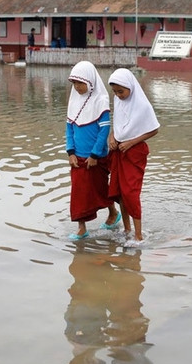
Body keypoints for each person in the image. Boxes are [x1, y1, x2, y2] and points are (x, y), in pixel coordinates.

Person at [66, 61, 120, 240]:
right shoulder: (73, 101)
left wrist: (95, 154)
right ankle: (82, 227)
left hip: (96, 157)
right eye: (74, 83)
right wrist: (70, 152)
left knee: (100, 189)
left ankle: (113, 213)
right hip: (78, 157)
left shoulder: (100, 100)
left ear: (90, 81)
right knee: (78, 192)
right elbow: (69, 129)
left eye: (80, 83)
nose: (77, 87)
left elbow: (104, 129)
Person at [107, 68, 160, 245]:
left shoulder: (142, 105)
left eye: (121, 91)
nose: (119, 95)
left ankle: (138, 235)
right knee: (120, 191)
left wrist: (131, 142)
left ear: (130, 87)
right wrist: (112, 135)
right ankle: (127, 229)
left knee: (131, 192)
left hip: (134, 152)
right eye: (115, 92)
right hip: (119, 151)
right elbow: (118, 123)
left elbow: (153, 129)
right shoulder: (118, 100)